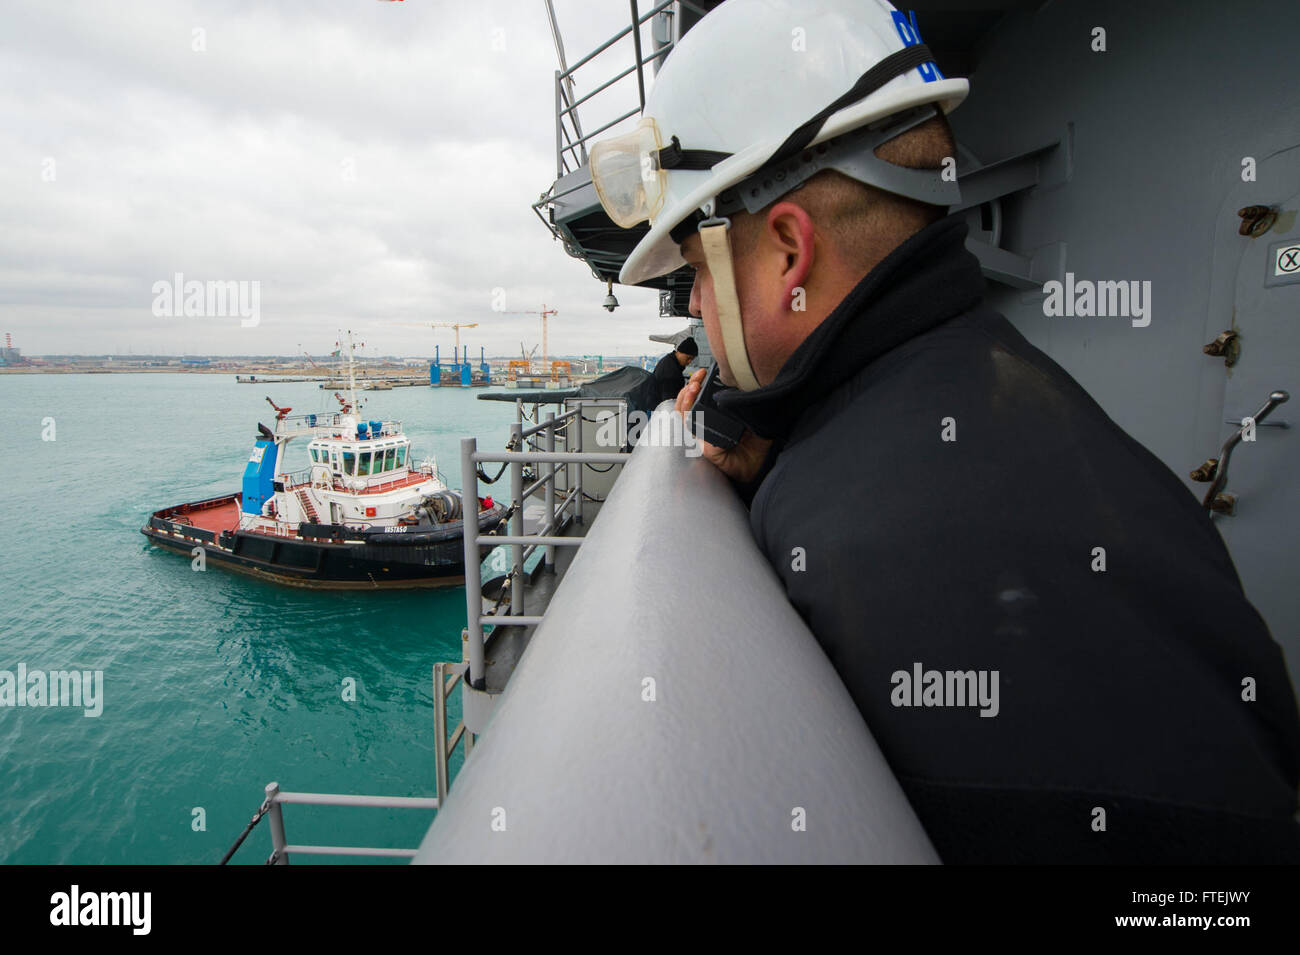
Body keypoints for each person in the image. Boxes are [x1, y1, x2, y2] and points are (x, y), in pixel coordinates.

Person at [588, 0, 1300, 863]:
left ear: (787, 252)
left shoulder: (873, 538)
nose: (695, 306)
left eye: (696, 272)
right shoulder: (1001, 393)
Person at [652, 337, 698, 405]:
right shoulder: (670, 370)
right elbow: (669, 401)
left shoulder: (670, 362)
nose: (689, 362)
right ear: (680, 352)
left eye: (692, 359)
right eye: (688, 358)